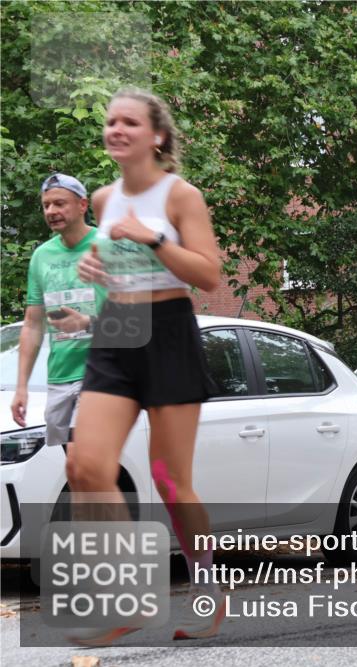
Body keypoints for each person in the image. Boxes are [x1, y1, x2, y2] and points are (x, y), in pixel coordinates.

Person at [67, 87, 223, 645]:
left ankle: (207, 590)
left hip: (169, 332)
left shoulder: (181, 196)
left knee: (170, 481)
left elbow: (208, 276)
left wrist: (152, 237)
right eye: (111, 121)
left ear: (156, 136)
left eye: (129, 122)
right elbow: (114, 262)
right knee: (84, 465)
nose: (117, 129)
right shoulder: (104, 199)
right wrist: (94, 264)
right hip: (117, 329)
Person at [11, 174, 106, 452]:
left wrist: (87, 324)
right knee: (79, 471)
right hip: (59, 377)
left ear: (82, 205)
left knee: (82, 459)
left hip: (102, 372)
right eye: (46, 205)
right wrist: (21, 387)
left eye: (59, 203)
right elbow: (32, 325)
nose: (51, 211)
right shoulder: (42, 256)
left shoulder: (109, 246)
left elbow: (138, 319)